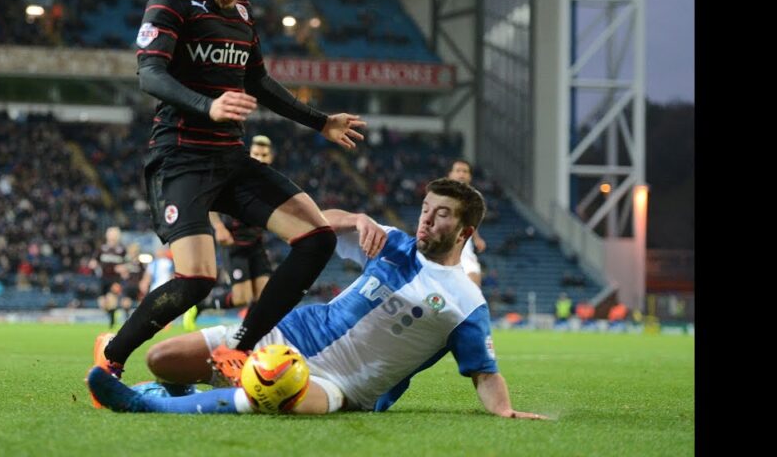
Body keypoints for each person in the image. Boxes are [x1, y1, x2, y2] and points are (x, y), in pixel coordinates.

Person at [98, 0, 366, 381]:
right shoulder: (172, 2)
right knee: (197, 280)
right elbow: (150, 74)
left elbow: (258, 82)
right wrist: (209, 106)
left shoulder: (242, 18)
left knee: (317, 238)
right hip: (180, 160)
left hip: (230, 160)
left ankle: (240, 349)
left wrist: (320, 122)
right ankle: (112, 354)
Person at [87, 178, 546, 420]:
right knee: (163, 359)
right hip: (287, 333)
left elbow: (484, 373)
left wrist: (504, 410)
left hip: (342, 385)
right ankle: (178, 391)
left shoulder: (466, 300)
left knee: (281, 397)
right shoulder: (390, 241)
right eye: (426, 209)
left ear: (465, 232)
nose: (427, 220)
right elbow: (311, 226)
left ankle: (149, 406)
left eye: (441, 215)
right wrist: (355, 217)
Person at [184, 134, 279, 330]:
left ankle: (249, 335)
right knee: (242, 297)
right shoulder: (236, 176)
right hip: (234, 244)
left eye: (264, 154)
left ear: (271, 157)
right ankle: (201, 305)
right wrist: (219, 227)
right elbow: (211, 202)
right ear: (249, 154)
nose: (260, 158)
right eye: (256, 154)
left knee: (264, 296)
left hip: (256, 243)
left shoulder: (272, 182)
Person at [447, 160, 486, 286]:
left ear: (470, 177)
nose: (461, 175)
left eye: (465, 171)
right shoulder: (439, 194)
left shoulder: (474, 197)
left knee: (474, 279)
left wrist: (477, 239)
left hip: (463, 247)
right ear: (450, 175)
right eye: (458, 171)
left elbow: (471, 220)